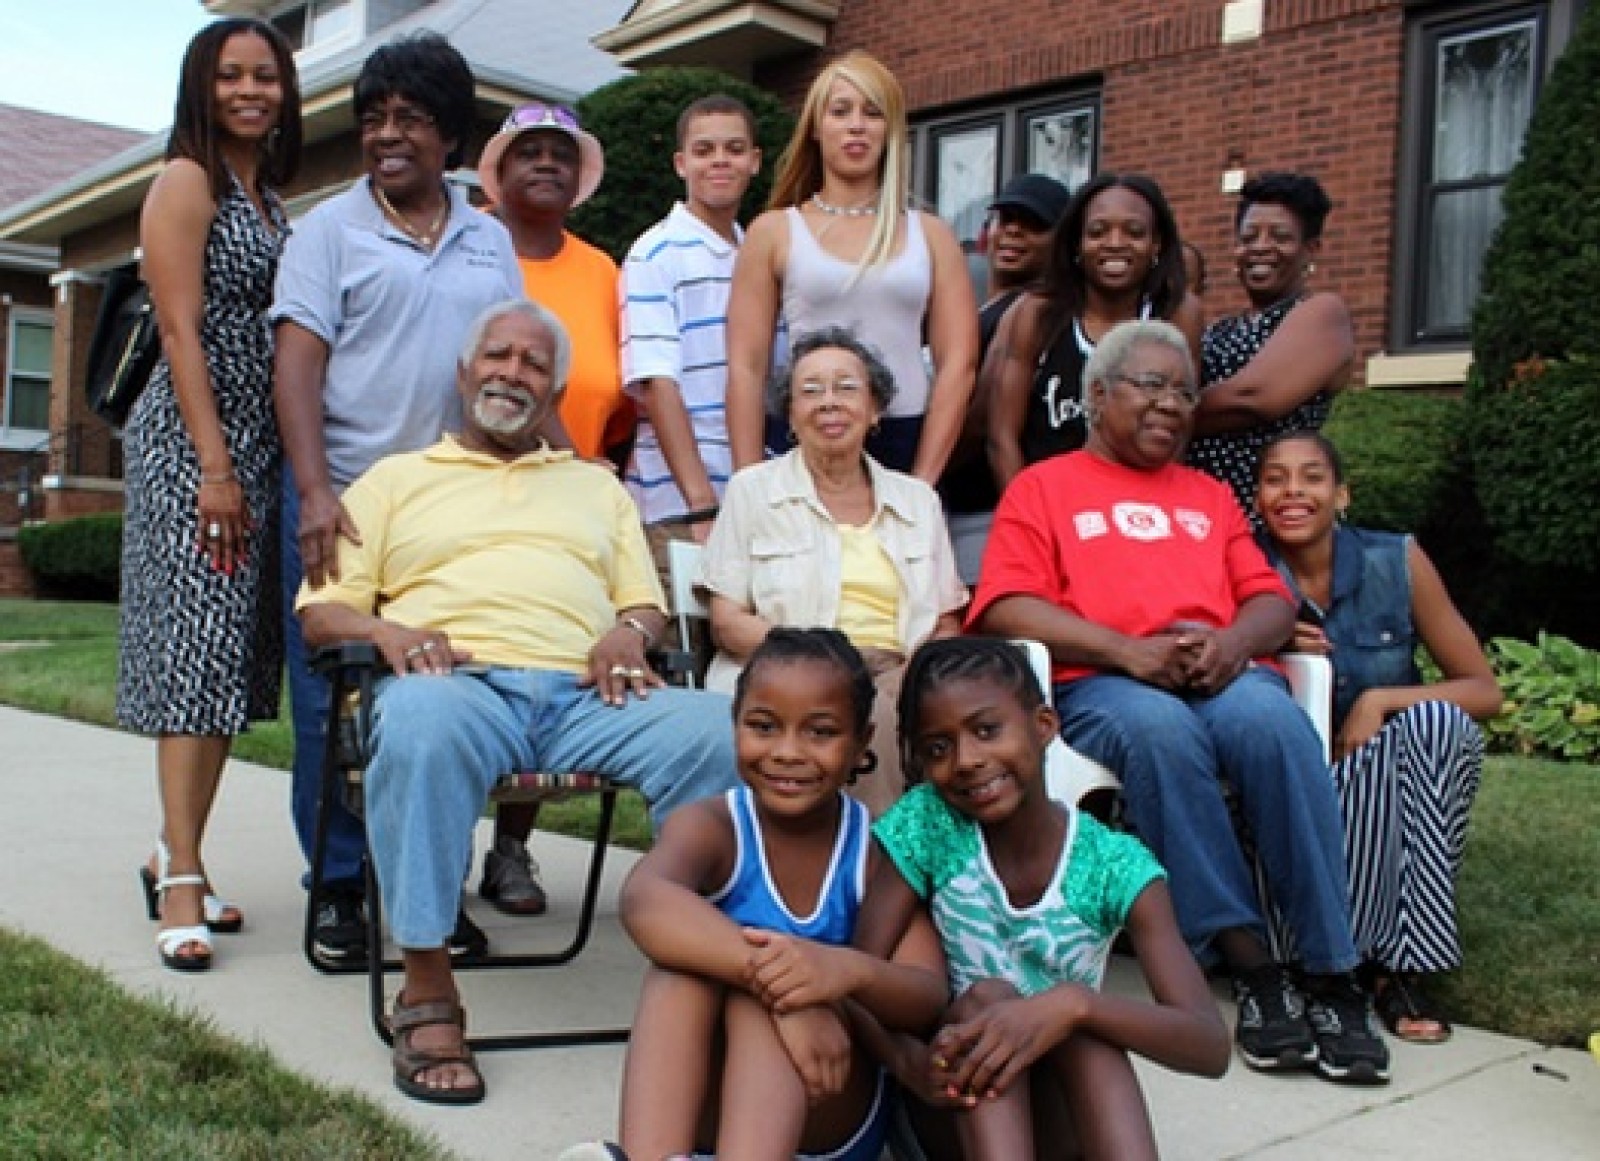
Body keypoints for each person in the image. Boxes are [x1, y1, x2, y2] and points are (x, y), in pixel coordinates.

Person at [297, 299, 738, 1105]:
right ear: (465, 373)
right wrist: (387, 632)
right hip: (457, 683)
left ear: (556, 390)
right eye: (496, 355)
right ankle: (427, 988)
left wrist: (630, 633)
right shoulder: (394, 480)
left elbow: (641, 604)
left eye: (535, 364)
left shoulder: (593, 488)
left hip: (585, 693)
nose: (512, 371)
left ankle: (710, 967)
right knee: (422, 725)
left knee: (720, 731)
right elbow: (323, 611)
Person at [970, 319, 1391, 1086]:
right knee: (1161, 734)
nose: (1172, 403)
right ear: (1097, 397)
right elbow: (1006, 605)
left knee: (1277, 724)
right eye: (1152, 385)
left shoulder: (1208, 496)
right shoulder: (1044, 487)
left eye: (1185, 391)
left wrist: (1233, 644)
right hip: (1100, 683)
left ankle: (1333, 973)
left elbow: (1270, 601)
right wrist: (1127, 650)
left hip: (1222, 674)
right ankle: (1252, 964)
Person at [272, 32, 523, 965]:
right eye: (375, 118)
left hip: (453, 516)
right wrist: (312, 492)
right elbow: (295, 363)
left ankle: (424, 892)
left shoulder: (487, 236)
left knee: (439, 702)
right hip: (346, 504)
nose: (388, 135)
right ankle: (339, 887)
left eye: (411, 119)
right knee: (331, 710)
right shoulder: (329, 231)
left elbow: (510, 360)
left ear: (450, 136)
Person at [826, 636, 1229, 1159]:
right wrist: (906, 1064)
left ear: (1043, 726)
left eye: (987, 730)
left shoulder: (1114, 866)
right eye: (938, 748)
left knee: (1087, 1029)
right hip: (951, 1104)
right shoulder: (928, 825)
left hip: (1059, 1118)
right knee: (989, 1001)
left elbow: (1208, 1044)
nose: (967, 760)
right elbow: (860, 980)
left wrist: (1074, 1005)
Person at [608, 628, 946, 1159]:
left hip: (830, 1103)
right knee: (683, 974)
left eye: (820, 732)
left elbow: (926, 994)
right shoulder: (713, 826)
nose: (788, 752)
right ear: (736, 725)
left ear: (862, 743)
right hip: (713, 1112)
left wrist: (841, 973)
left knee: (752, 1004)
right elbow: (645, 900)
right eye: (763, 727)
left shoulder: (876, 852)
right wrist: (780, 993)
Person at [120, 17, 301, 972]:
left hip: (254, 450)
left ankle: (172, 847)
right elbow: (182, 331)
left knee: (226, 660)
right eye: (230, 74)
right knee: (191, 655)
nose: (249, 90)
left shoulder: (267, 197)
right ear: (202, 85)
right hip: (197, 449)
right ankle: (182, 874)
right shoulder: (184, 180)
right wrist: (217, 465)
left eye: (265, 75)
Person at [1256, 432, 1502, 1044]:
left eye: (1311, 478)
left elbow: (1483, 691)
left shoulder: (1396, 561)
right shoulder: (1244, 572)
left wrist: (1381, 700)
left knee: (1438, 724)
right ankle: (1335, 956)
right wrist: (1263, 638)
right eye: (1275, 479)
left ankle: (1403, 968)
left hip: (1385, 787)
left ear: (1341, 494)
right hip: (1285, 794)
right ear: (1257, 497)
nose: (1292, 492)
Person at [703, 328, 967, 815]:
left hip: (900, 671)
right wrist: (825, 662)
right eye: (810, 391)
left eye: (846, 388)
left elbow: (947, 621)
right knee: (866, 711)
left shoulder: (917, 501)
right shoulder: (752, 491)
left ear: (875, 410)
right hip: (784, 670)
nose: (828, 402)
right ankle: (869, 872)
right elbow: (727, 620)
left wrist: (913, 670)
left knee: (937, 709)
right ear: (790, 415)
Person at [725, 50, 978, 482]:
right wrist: (749, 483)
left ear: (891, 130)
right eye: (840, 111)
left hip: (905, 435)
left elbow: (958, 362)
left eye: (873, 113)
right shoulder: (774, 231)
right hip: (802, 434)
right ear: (816, 128)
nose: (856, 125)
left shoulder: (932, 235)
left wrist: (924, 481)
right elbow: (746, 367)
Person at [984, 172, 1202, 494]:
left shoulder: (1177, 313)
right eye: (1098, 232)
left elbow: (1181, 428)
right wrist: (1031, 515)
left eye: (1134, 232)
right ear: (1077, 243)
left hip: (1136, 505)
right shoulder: (1038, 312)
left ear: (1156, 244)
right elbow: (1002, 435)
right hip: (1048, 504)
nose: (1115, 244)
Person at [620, 95, 762, 585]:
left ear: (755, 161)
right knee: (691, 646)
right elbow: (657, 382)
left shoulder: (760, 254)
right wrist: (702, 506)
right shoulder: (654, 253)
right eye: (704, 150)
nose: (720, 160)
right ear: (682, 164)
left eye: (734, 148)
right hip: (679, 505)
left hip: (754, 496)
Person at [1187, 172, 1354, 518]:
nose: (1260, 246)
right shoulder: (1219, 329)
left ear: (1311, 249)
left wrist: (1155, 414)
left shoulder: (1321, 312)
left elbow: (1252, 398)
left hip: (1267, 519)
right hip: (1196, 514)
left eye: (1280, 236)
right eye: (1249, 237)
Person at [939, 172, 1071, 583]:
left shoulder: (1035, 311)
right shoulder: (979, 309)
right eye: (1005, 218)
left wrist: (920, 467)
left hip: (985, 509)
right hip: (951, 504)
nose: (1013, 231)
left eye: (1033, 224)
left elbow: (984, 417)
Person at [479, 102, 628, 467]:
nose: (547, 163)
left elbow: (622, 420)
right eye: (528, 153)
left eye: (563, 156)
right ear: (499, 171)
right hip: (471, 491)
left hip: (571, 505)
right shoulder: (463, 248)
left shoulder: (603, 271)